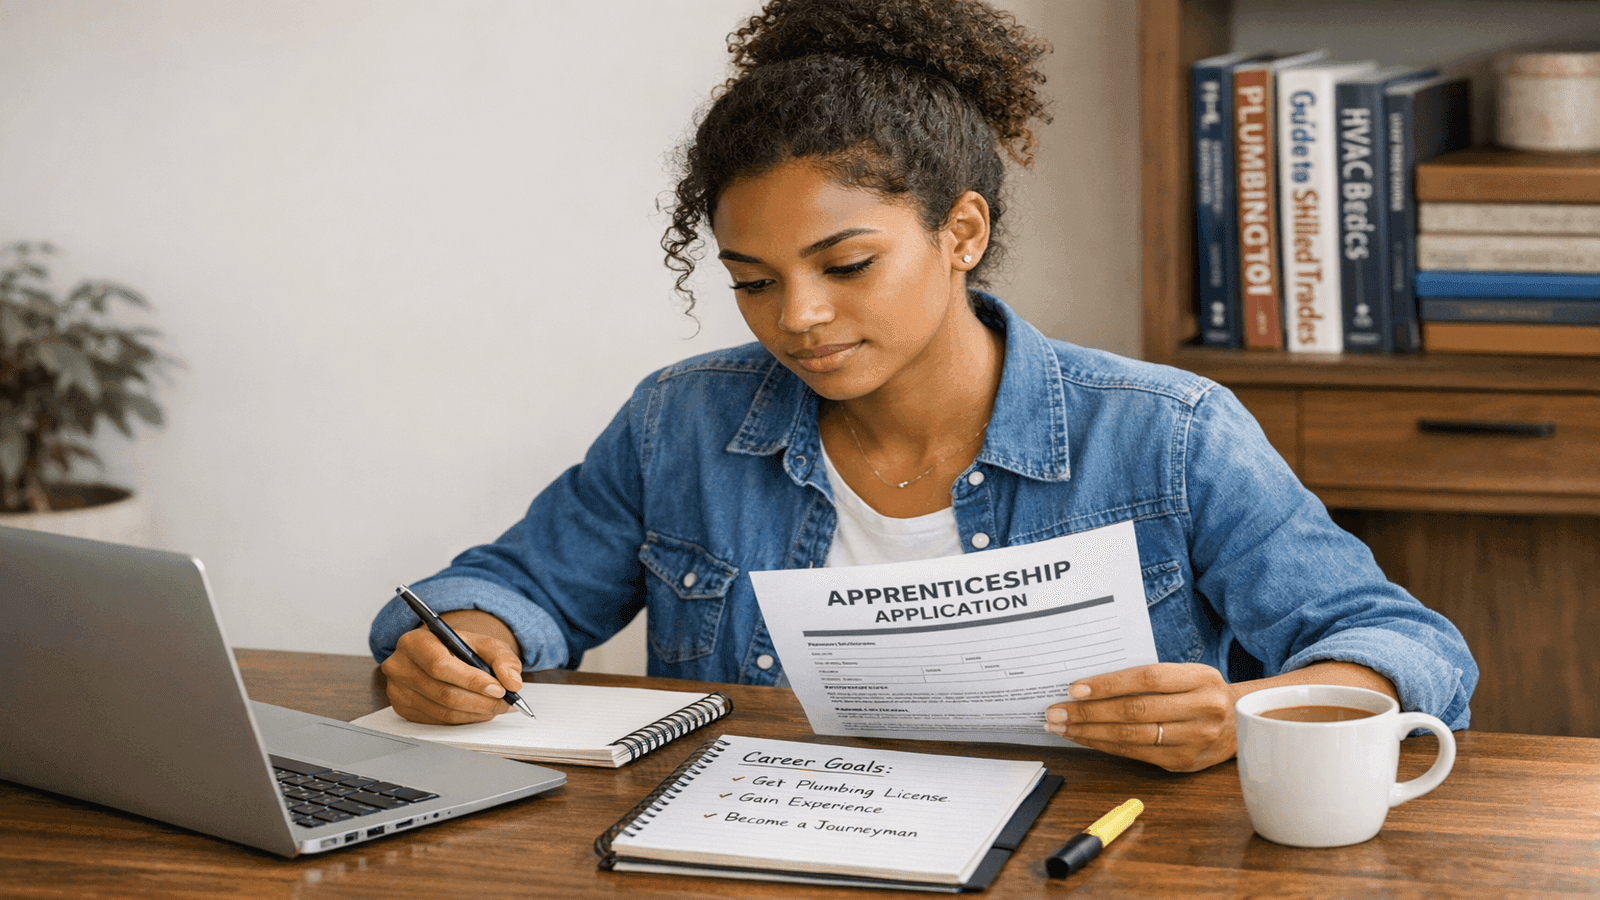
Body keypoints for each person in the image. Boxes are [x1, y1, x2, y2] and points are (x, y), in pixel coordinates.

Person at [369, 0, 1476, 773]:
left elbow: (1406, 649)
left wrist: (1247, 714)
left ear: (961, 231)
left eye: (845, 266)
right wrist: (465, 645)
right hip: (752, 853)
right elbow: (507, 591)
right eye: (752, 280)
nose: (795, 316)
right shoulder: (682, 421)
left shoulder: (1168, 435)